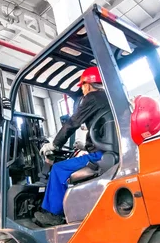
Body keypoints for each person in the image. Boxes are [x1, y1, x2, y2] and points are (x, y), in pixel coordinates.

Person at [35, 66, 110, 227]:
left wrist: (54, 145)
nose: (82, 90)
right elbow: (105, 128)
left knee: (58, 169)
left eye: (82, 86)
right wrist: (86, 145)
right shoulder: (110, 98)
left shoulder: (92, 97)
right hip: (108, 151)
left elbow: (72, 123)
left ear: (88, 84)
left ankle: (53, 214)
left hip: (100, 155)